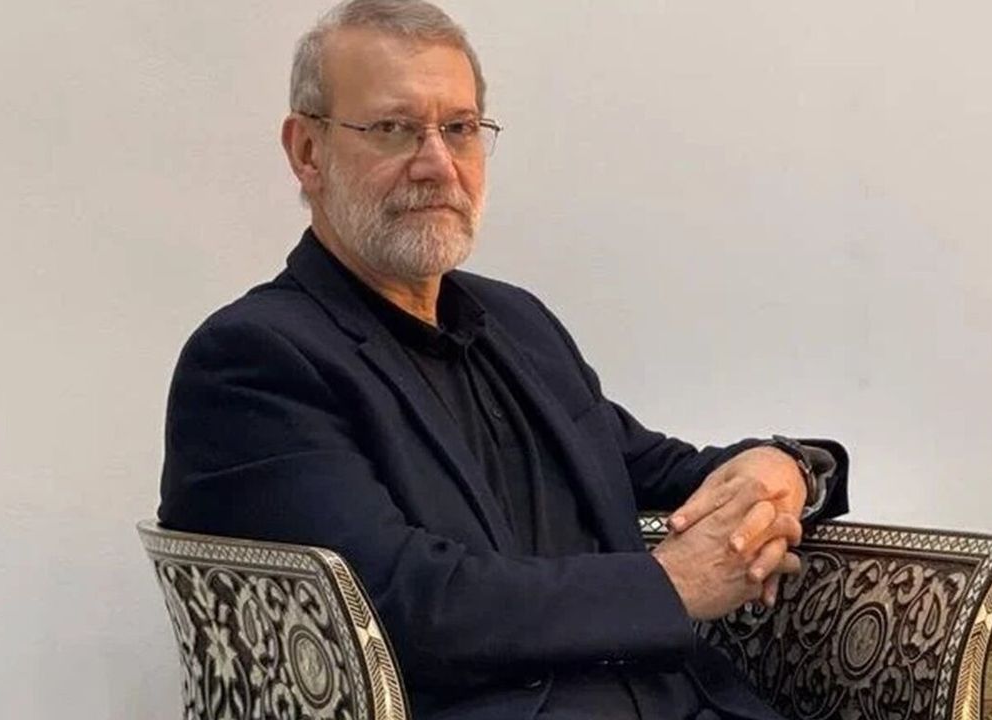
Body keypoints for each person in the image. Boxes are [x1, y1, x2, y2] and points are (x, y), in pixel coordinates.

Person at [159, 1, 849, 718]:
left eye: (459, 128)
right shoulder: (254, 361)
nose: (437, 165)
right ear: (308, 151)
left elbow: (658, 472)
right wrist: (672, 585)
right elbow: (404, 605)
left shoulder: (517, 323)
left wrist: (787, 469)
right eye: (394, 128)